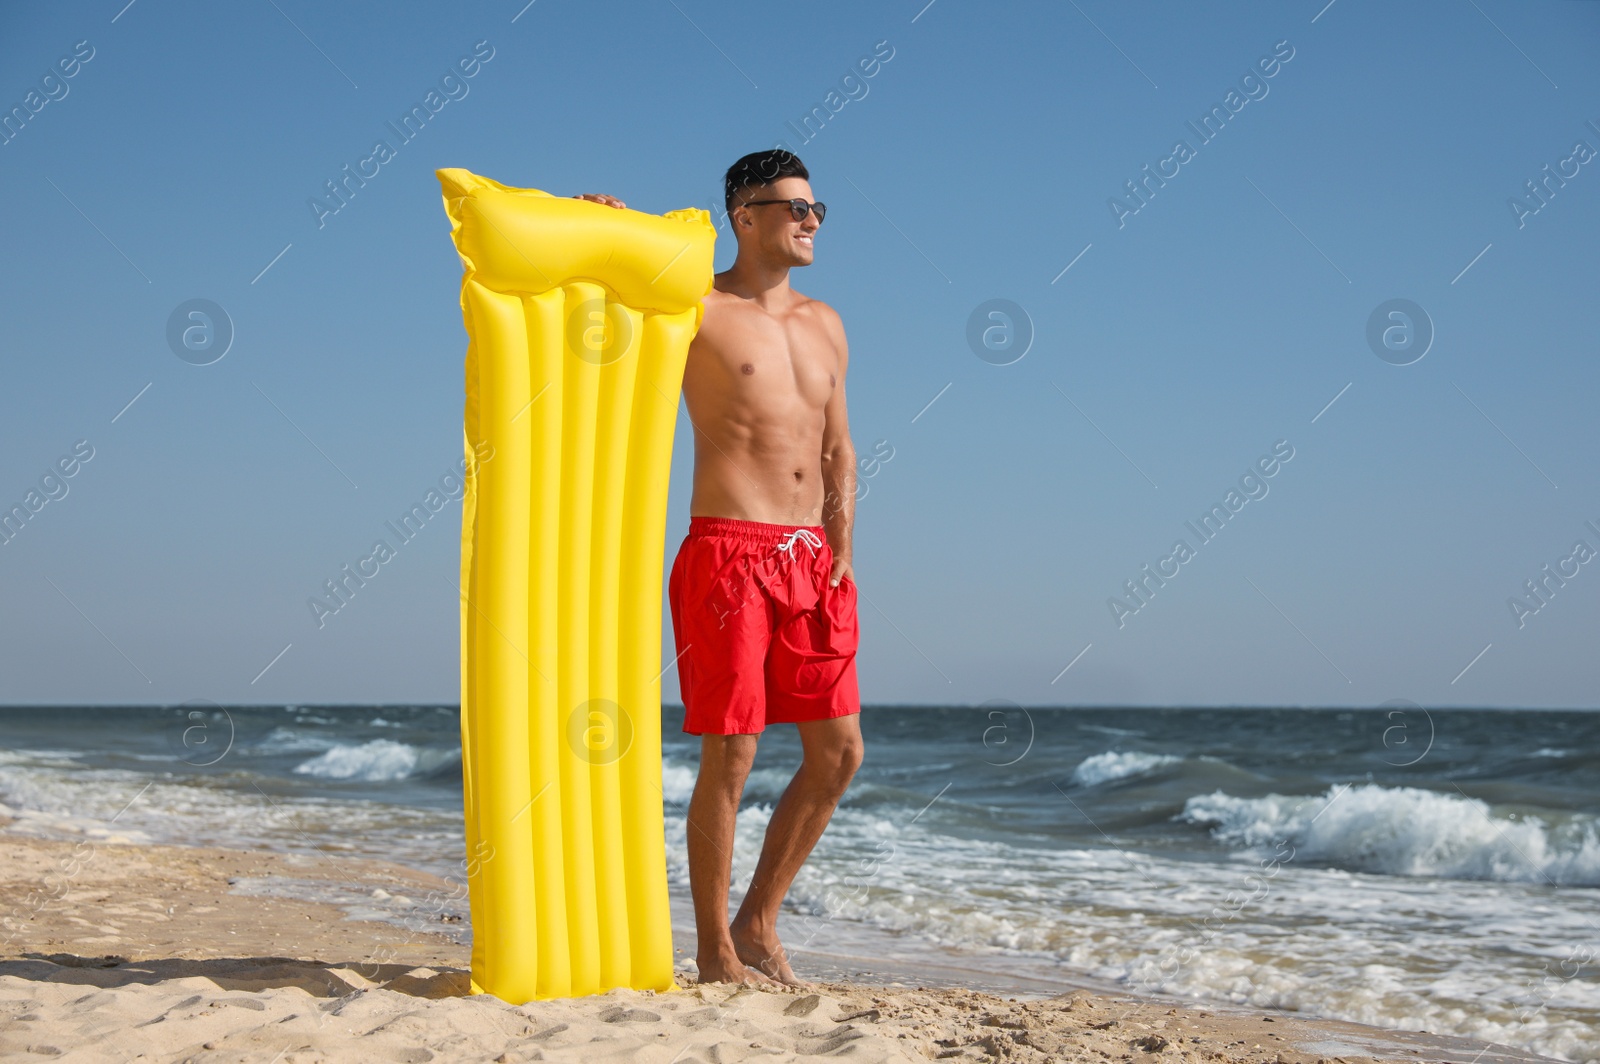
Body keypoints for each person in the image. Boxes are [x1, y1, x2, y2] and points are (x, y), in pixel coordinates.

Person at [574, 149, 862, 987]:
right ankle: (712, 948)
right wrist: (605, 223)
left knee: (838, 753)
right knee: (731, 756)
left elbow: (839, 444)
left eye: (817, 208)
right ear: (744, 214)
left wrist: (844, 546)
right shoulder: (692, 307)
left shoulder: (827, 321)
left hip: (815, 560)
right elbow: (602, 293)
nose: (810, 220)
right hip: (729, 552)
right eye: (793, 207)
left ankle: (758, 920)